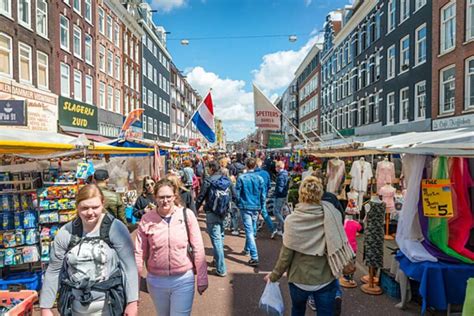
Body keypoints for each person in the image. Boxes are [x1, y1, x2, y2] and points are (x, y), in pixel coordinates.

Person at [40, 184, 138, 316]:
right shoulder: (65, 233)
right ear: (77, 207)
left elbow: (129, 267)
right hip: (75, 307)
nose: (90, 213)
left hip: (109, 306)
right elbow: (53, 270)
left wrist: (132, 302)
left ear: (103, 204)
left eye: (95, 207)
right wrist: (45, 307)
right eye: (84, 208)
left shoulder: (116, 229)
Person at [265, 176, 354, 316]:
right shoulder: (332, 213)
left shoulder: (292, 220)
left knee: (298, 310)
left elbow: (285, 256)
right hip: (325, 278)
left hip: (299, 279)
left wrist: (274, 275)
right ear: (320, 193)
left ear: (301, 194)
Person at [135, 179, 208, 316]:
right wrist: (135, 285)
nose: (165, 201)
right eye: (161, 197)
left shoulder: (187, 215)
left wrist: (202, 278)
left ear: (175, 196)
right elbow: (139, 253)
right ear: (155, 197)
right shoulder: (146, 219)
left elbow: (198, 247)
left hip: (183, 278)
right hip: (156, 280)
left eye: (168, 196)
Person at [195, 161, 235, 276]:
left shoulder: (208, 180)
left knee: (216, 239)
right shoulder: (227, 181)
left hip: (211, 212)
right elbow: (234, 195)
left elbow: (201, 196)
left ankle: (221, 268)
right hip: (224, 212)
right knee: (220, 236)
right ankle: (217, 259)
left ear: (212, 169)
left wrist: (195, 209)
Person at [236, 158, 266, 267]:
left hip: (245, 206)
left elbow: (237, 194)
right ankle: (247, 249)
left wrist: (238, 203)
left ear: (246, 166)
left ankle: (254, 256)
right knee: (252, 229)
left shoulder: (242, 178)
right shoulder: (259, 178)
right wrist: (262, 207)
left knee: (249, 231)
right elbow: (263, 195)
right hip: (256, 206)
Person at [254, 158, 277, 239]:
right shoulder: (266, 173)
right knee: (264, 212)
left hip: (255, 196)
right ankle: (272, 229)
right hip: (263, 195)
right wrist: (265, 192)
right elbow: (269, 185)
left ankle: (254, 232)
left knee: (254, 214)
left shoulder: (254, 174)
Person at [273, 160, 289, 235]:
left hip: (280, 196)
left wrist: (276, 192)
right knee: (279, 212)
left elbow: (280, 187)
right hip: (283, 195)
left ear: (278, 167)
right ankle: (280, 229)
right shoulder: (285, 174)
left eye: (276, 167)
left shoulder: (281, 176)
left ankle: (284, 225)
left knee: (276, 211)